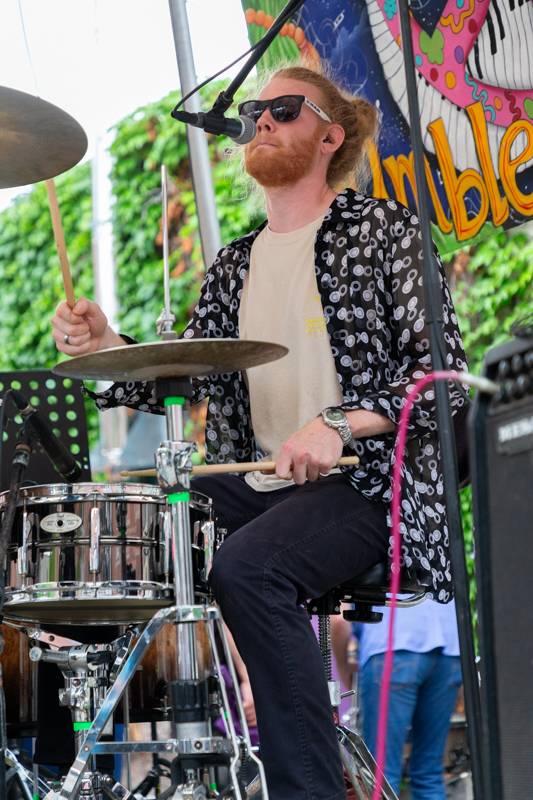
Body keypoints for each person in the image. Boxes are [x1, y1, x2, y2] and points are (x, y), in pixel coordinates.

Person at [51, 64, 468, 800]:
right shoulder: (233, 264)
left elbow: (441, 379)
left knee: (248, 568)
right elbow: (178, 373)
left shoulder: (385, 232)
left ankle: (308, 789)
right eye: (254, 111)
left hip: (370, 485)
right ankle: (120, 763)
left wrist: (336, 423)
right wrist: (103, 342)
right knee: (125, 537)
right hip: (260, 483)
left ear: (328, 136)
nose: (261, 121)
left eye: (283, 108)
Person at [332, 602, 462, 799]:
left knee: (381, 777)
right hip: (450, 649)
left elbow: (340, 621)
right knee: (429, 773)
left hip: (392, 646)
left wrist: (346, 676)